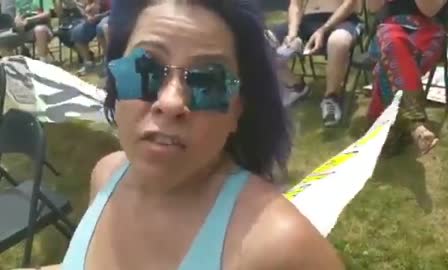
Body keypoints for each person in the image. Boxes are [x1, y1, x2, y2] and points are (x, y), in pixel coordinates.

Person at [17, 0, 345, 269]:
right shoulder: (106, 175)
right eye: (144, 70)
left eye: (208, 81)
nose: (171, 102)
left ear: (238, 110)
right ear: (114, 83)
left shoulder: (279, 247)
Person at [366, 0, 448, 155]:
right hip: (388, 29)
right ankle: (414, 123)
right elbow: (373, 7)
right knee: (392, 42)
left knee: (386, 64)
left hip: (428, 31)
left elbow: (428, 10)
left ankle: (385, 128)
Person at [270, 0, 360, 127]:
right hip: (307, 20)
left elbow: (349, 4)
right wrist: (292, 33)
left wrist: (323, 29)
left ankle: (331, 98)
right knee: (262, 39)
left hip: (342, 19)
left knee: (338, 41)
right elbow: (295, 4)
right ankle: (296, 86)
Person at [70, 0, 110, 75]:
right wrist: (88, 15)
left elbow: (117, 9)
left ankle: (108, 61)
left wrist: (101, 16)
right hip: (96, 18)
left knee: (101, 28)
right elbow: (88, 7)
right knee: (77, 32)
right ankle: (88, 63)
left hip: (110, 16)